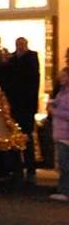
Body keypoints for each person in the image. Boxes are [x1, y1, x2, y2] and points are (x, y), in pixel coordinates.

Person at [6, 37, 41, 183]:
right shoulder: (13, 59)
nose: (20, 47)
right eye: (18, 44)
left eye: (22, 44)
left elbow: (33, 80)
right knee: (16, 136)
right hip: (15, 104)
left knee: (27, 136)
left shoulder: (31, 58)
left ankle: (30, 167)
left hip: (25, 105)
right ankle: (17, 168)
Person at [49, 50, 69, 202]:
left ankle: (64, 191)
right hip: (60, 132)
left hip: (65, 134)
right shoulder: (62, 92)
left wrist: (54, 112)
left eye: (63, 76)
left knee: (64, 164)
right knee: (63, 164)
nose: (60, 78)